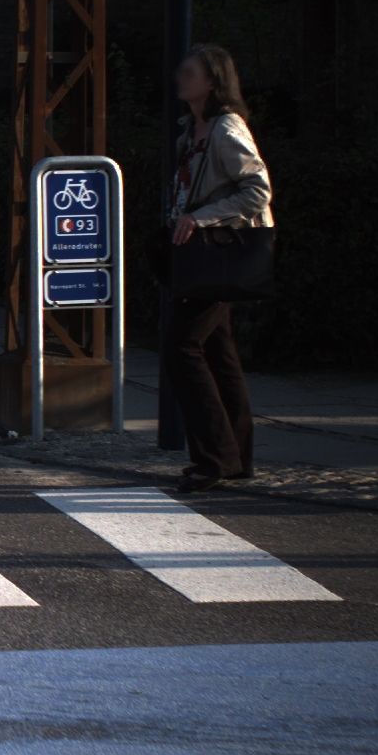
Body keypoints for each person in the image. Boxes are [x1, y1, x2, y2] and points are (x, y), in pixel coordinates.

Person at [163, 44, 273, 492]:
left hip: (219, 251)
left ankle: (214, 458)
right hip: (200, 254)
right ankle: (235, 458)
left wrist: (201, 218)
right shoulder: (191, 129)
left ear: (212, 81)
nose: (181, 79)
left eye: (190, 73)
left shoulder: (227, 128)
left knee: (182, 347)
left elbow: (257, 190)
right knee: (217, 352)